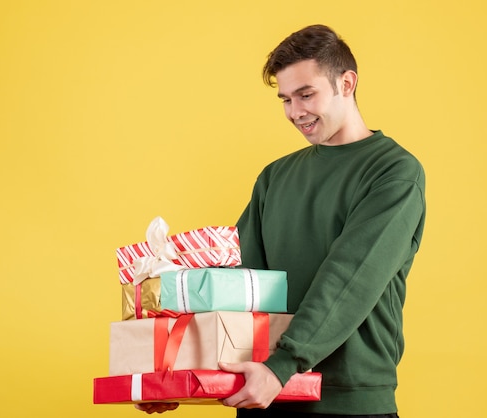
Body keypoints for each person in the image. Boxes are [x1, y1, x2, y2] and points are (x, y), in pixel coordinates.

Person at [136, 24, 426, 417]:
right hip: (264, 394)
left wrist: (283, 366)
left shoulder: (393, 172)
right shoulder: (275, 177)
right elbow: (236, 284)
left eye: (306, 95)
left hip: (345, 402)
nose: (295, 112)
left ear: (347, 83)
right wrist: (175, 372)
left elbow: (351, 277)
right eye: (286, 99)